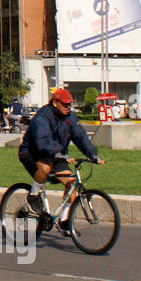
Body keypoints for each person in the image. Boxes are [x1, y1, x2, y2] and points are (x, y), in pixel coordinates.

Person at [18, 88, 105, 218]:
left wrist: (92, 155)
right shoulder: (43, 117)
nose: (68, 107)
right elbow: (43, 141)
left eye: (69, 104)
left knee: (72, 184)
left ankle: (64, 220)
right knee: (45, 167)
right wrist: (57, 154)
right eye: (65, 104)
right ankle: (33, 196)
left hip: (57, 155)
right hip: (32, 153)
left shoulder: (70, 117)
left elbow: (80, 137)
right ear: (55, 103)